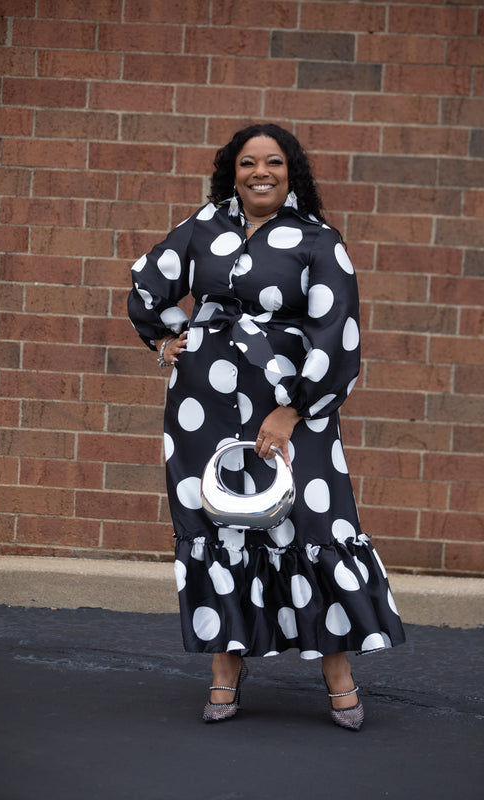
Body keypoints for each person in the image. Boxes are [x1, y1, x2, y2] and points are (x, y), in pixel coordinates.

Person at [128, 123, 405, 731]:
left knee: (312, 525)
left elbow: (338, 336)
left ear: (291, 172)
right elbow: (149, 282)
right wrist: (170, 339)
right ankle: (226, 674)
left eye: (274, 163)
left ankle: (339, 679)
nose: (261, 173)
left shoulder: (318, 241)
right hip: (201, 406)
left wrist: (292, 410)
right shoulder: (204, 226)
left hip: (289, 409)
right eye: (249, 162)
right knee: (217, 527)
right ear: (233, 170)